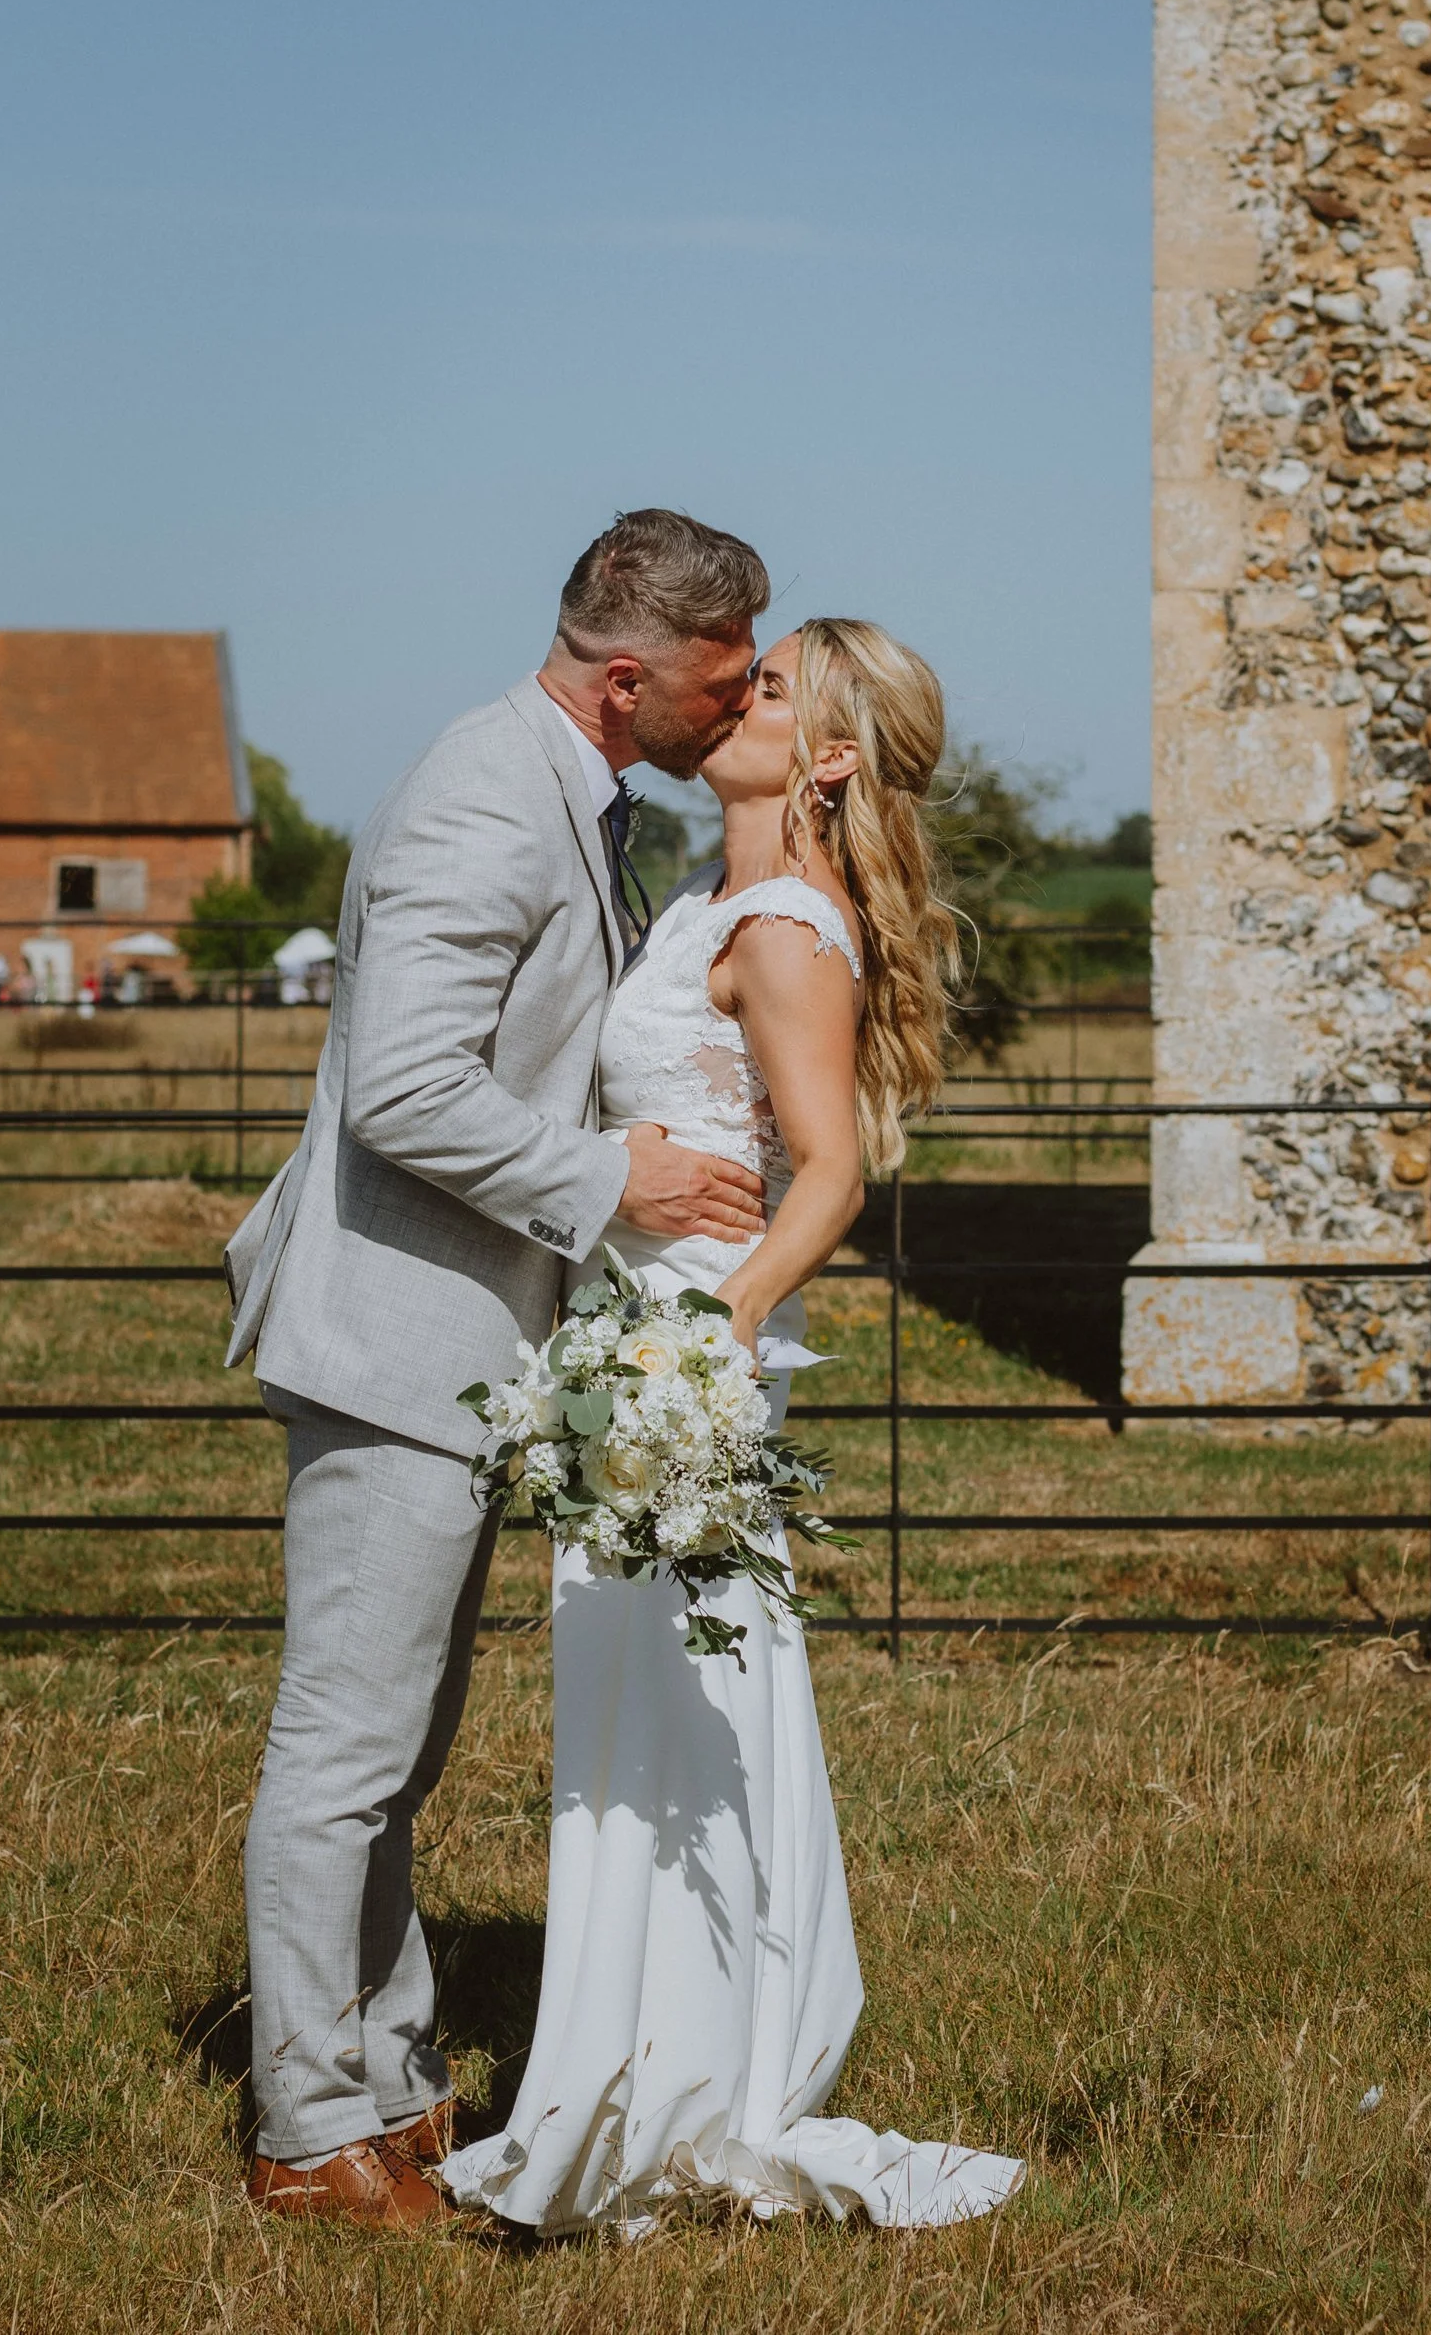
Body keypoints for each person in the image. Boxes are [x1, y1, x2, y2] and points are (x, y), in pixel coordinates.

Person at [441, 619, 1025, 2235]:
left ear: (828, 756)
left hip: (683, 1347)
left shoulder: (784, 927)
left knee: (685, 1710)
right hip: (627, 1322)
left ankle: (692, 2073)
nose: (731, 698)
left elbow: (828, 1172)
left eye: (768, 690)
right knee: (639, 1706)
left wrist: (720, 1332)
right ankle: (635, 2049)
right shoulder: (706, 898)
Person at [225, 510, 773, 2227]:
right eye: (722, 680)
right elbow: (405, 1085)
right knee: (347, 1748)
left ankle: (387, 2087)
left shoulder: (570, 792)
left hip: (466, 1349)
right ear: (625, 681)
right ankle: (307, 2131)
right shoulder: (483, 794)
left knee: (401, 1748)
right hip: (397, 1340)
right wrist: (615, 1181)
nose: (740, 704)